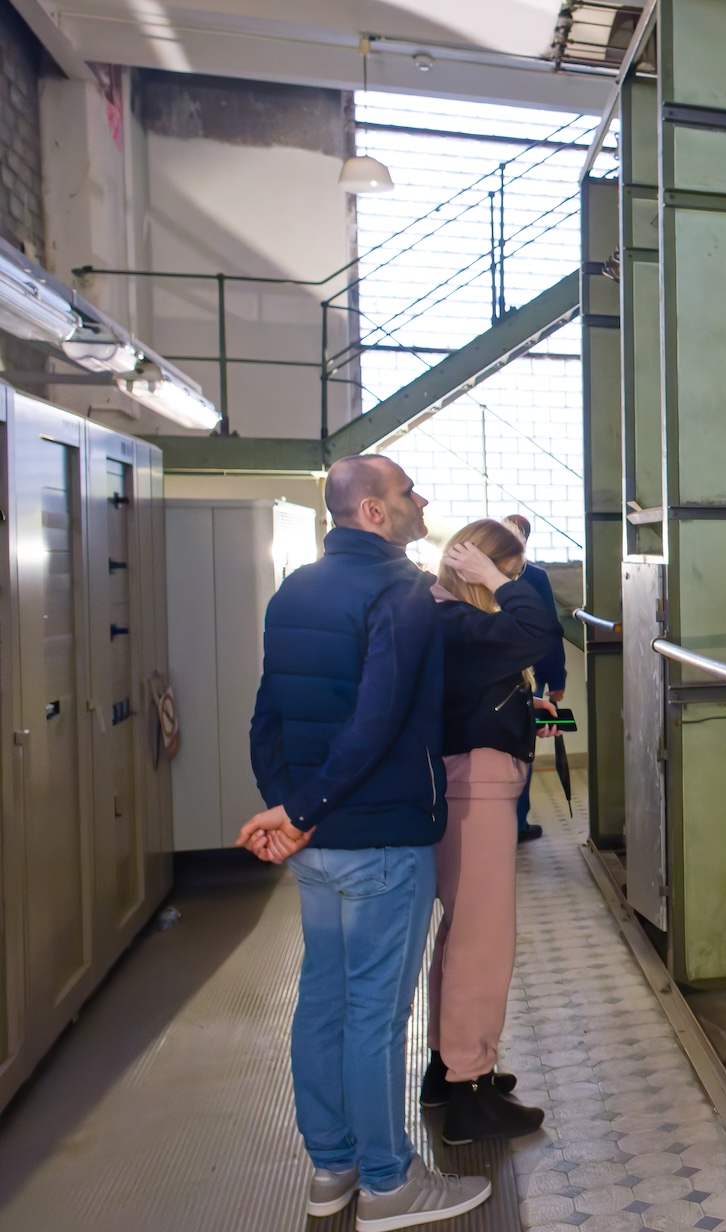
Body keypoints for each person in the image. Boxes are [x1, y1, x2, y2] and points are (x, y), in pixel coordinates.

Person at [240, 456, 492, 1231]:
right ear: (375, 512)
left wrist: (290, 812)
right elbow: (378, 721)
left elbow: (267, 716)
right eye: (408, 491)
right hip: (381, 837)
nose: (422, 498)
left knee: (324, 1002)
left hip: (317, 842)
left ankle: (333, 1167)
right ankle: (389, 1183)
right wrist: (305, 808)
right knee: (375, 1016)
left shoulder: (295, 590)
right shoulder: (400, 592)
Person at [420, 518, 562, 1143]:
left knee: (463, 934)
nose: (517, 579)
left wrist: (526, 709)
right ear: (481, 568)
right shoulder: (453, 616)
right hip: (474, 786)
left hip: (468, 780)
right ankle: (470, 1089)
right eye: (513, 568)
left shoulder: (451, 618)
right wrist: (498, 580)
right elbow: (538, 630)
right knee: (482, 940)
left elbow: (477, 687)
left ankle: (448, 1068)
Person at [502, 514, 565, 842]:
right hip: (529, 673)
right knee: (524, 744)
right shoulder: (535, 576)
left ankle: (504, 821)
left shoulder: (476, 575)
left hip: (499, 674)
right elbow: (550, 629)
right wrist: (557, 678)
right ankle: (518, 822)